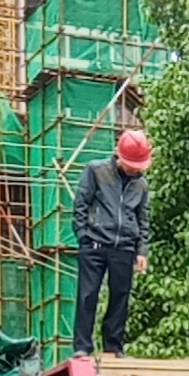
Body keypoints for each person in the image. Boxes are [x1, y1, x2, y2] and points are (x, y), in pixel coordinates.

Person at [72, 130, 153, 360]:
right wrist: (83, 236)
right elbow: (81, 203)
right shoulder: (96, 170)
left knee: (120, 297)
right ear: (119, 157)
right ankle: (83, 347)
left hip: (125, 247)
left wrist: (142, 251)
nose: (134, 168)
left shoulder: (141, 185)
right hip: (94, 244)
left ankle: (114, 347)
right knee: (88, 295)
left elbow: (143, 218)